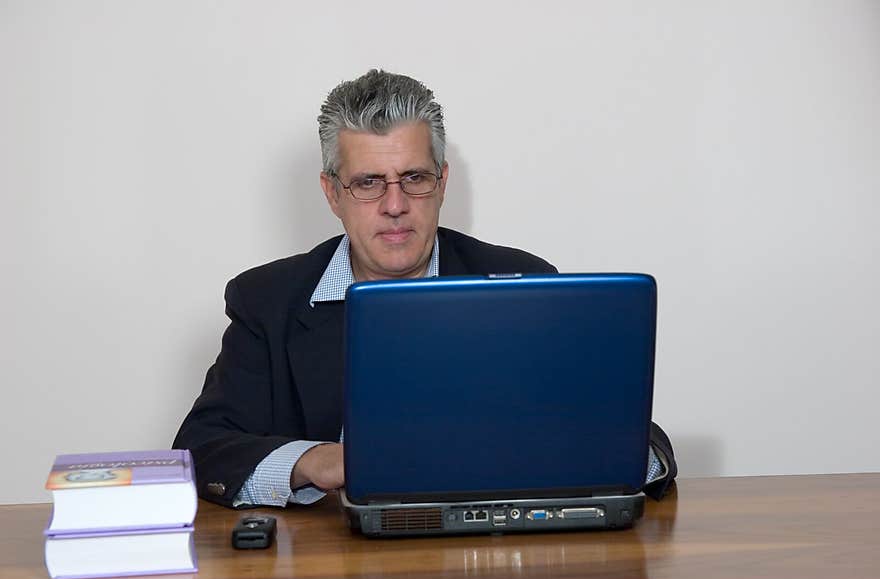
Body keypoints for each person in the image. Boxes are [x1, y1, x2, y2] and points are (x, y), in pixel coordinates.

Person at [173, 69, 677, 509]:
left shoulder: (526, 283)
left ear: (442, 182)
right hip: (331, 562)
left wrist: (596, 455)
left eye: (413, 177)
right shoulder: (267, 300)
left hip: (495, 553)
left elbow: (634, 437)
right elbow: (202, 447)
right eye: (369, 182)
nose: (395, 205)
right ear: (332, 193)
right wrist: (313, 460)